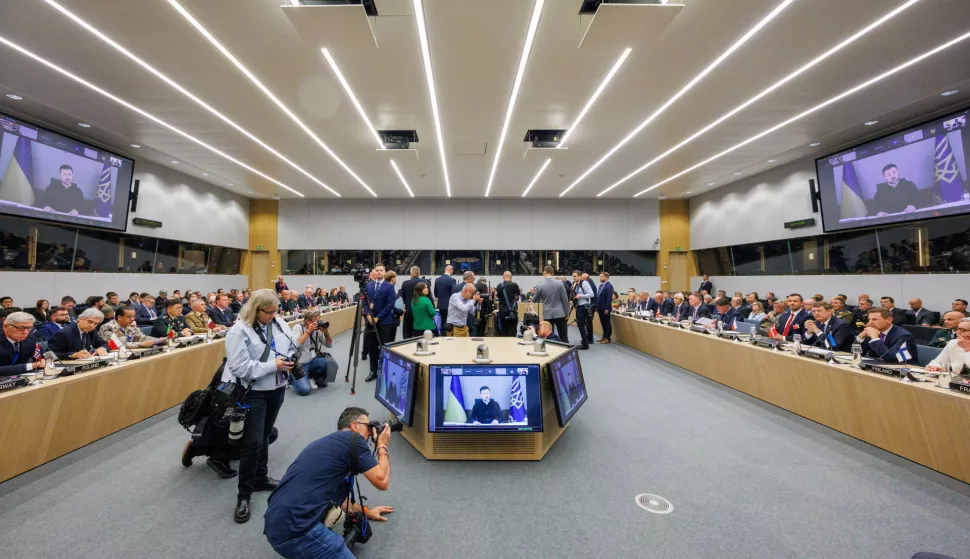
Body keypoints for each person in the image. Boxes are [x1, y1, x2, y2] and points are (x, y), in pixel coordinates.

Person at [263, 407, 392, 559]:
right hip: (297, 531)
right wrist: (382, 444)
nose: (370, 432)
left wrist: (367, 511)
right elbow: (382, 481)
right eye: (368, 427)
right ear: (355, 426)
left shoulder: (327, 446)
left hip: (275, 523)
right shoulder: (354, 439)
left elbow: (338, 500)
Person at [224, 289, 297, 524]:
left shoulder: (278, 322)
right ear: (256, 309)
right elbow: (240, 368)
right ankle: (243, 496)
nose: (273, 315)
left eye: (276, 311)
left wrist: (289, 360)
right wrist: (273, 365)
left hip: (277, 388)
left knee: (264, 435)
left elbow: (291, 346)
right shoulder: (239, 331)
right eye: (269, 312)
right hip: (253, 392)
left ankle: (260, 478)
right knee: (252, 443)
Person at [365, 269, 399, 383]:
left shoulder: (389, 287)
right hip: (370, 322)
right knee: (372, 348)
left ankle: (384, 371)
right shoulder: (368, 286)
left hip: (384, 322)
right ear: (375, 272)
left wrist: (378, 317)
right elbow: (365, 302)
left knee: (384, 347)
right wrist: (368, 315)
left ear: (384, 272)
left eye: (381, 270)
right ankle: (373, 371)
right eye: (377, 270)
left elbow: (390, 304)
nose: (379, 272)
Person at [291, 310, 334, 394]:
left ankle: (310, 376)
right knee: (305, 390)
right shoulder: (298, 328)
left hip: (312, 360)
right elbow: (295, 345)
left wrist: (326, 333)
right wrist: (308, 331)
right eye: (316, 321)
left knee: (325, 362)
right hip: (300, 364)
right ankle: (291, 379)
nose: (318, 323)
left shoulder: (317, 330)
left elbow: (329, 345)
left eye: (319, 321)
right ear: (308, 321)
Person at [533, 266, 570, 343]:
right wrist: (567, 313)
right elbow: (565, 299)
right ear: (553, 273)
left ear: (544, 272)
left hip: (547, 313)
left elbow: (534, 300)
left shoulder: (540, 285)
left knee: (548, 336)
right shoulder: (560, 283)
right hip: (560, 313)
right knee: (563, 336)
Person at [398, 266, 425, 339]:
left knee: (407, 335)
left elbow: (402, 298)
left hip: (409, 312)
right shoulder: (424, 283)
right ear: (419, 273)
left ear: (411, 273)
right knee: (421, 335)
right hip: (422, 313)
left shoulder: (405, 283)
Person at [571, 270, 594, 350]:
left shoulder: (584, 283)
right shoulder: (576, 284)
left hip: (584, 306)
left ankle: (585, 344)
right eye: (573, 276)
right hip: (579, 305)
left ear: (580, 276)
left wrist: (581, 296)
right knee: (580, 325)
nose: (573, 278)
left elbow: (591, 294)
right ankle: (585, 342)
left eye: (575, 276)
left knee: (581, 325)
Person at [495, 271, 520, 337]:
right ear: (511, 277)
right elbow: (518, 294)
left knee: (503, 332)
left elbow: (498, 296)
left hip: (502, 313)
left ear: (503, 277)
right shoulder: (514, 285)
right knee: (512, 332)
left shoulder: (499, 286)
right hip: (512, 313)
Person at [595, 272, 614, 344]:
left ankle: (607, 338)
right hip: (600, 307)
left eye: (601, 276)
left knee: (606, 323)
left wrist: (606, 308)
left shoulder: (609, 286)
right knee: (602, 323)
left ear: (606, 277)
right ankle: (604, 336)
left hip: (605, 308)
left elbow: (609, 298)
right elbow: (598, 296)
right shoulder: (601, 286)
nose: (600, 278)